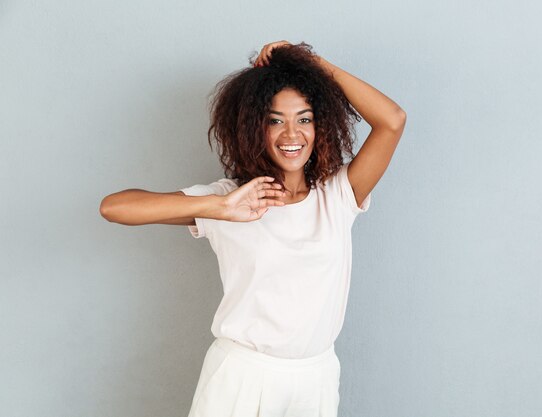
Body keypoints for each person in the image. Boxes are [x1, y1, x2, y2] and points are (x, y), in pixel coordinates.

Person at [99, 40, 406, 417]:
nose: (291, 134)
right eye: (275, 120)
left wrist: (310, 64)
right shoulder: (231, 198)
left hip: (316, 378)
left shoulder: (338, 196)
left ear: (320, 125)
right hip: (242, 378)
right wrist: (218, 207)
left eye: (304, 118)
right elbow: (115, 208)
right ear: (253, 128)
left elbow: (392, 120)